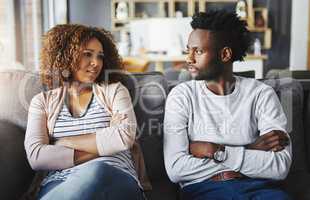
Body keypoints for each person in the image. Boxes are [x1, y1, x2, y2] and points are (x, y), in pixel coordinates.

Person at [164, 10, 292, 200]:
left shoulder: (261, 94)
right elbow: (176, 168)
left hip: (261, 189)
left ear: (225, 54)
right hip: (204, 190)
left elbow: (279, 166)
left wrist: (215, 151)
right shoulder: (182, 96)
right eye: (188, 50)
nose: (188, 59)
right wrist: (251, 150)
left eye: (198, 51)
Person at [24, 24, 147, 200]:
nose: (96, 63)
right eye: (87, 54)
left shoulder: (115, 91)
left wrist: (62, 143)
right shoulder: (42, 102)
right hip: (61, 182)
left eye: (100, 56)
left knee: (98, 171)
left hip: (115, 176)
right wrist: (105, 144)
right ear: (65, 55)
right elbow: (37, 157)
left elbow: (124, 137)